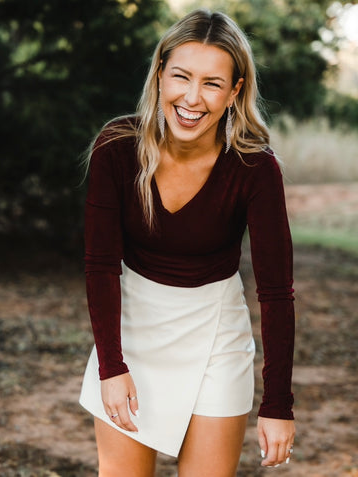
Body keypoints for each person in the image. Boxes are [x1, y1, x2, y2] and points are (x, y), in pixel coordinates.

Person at [79, 9, 296, 477]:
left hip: (215, 336)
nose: (192, 98)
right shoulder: (117, 146)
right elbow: (100, 265)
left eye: (213, 83)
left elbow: (276, 292)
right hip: (131, 335)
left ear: (235, 91)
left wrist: (278, 403)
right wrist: (111, 368)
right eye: (181, 76)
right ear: (160, 74)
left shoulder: (255, 169)